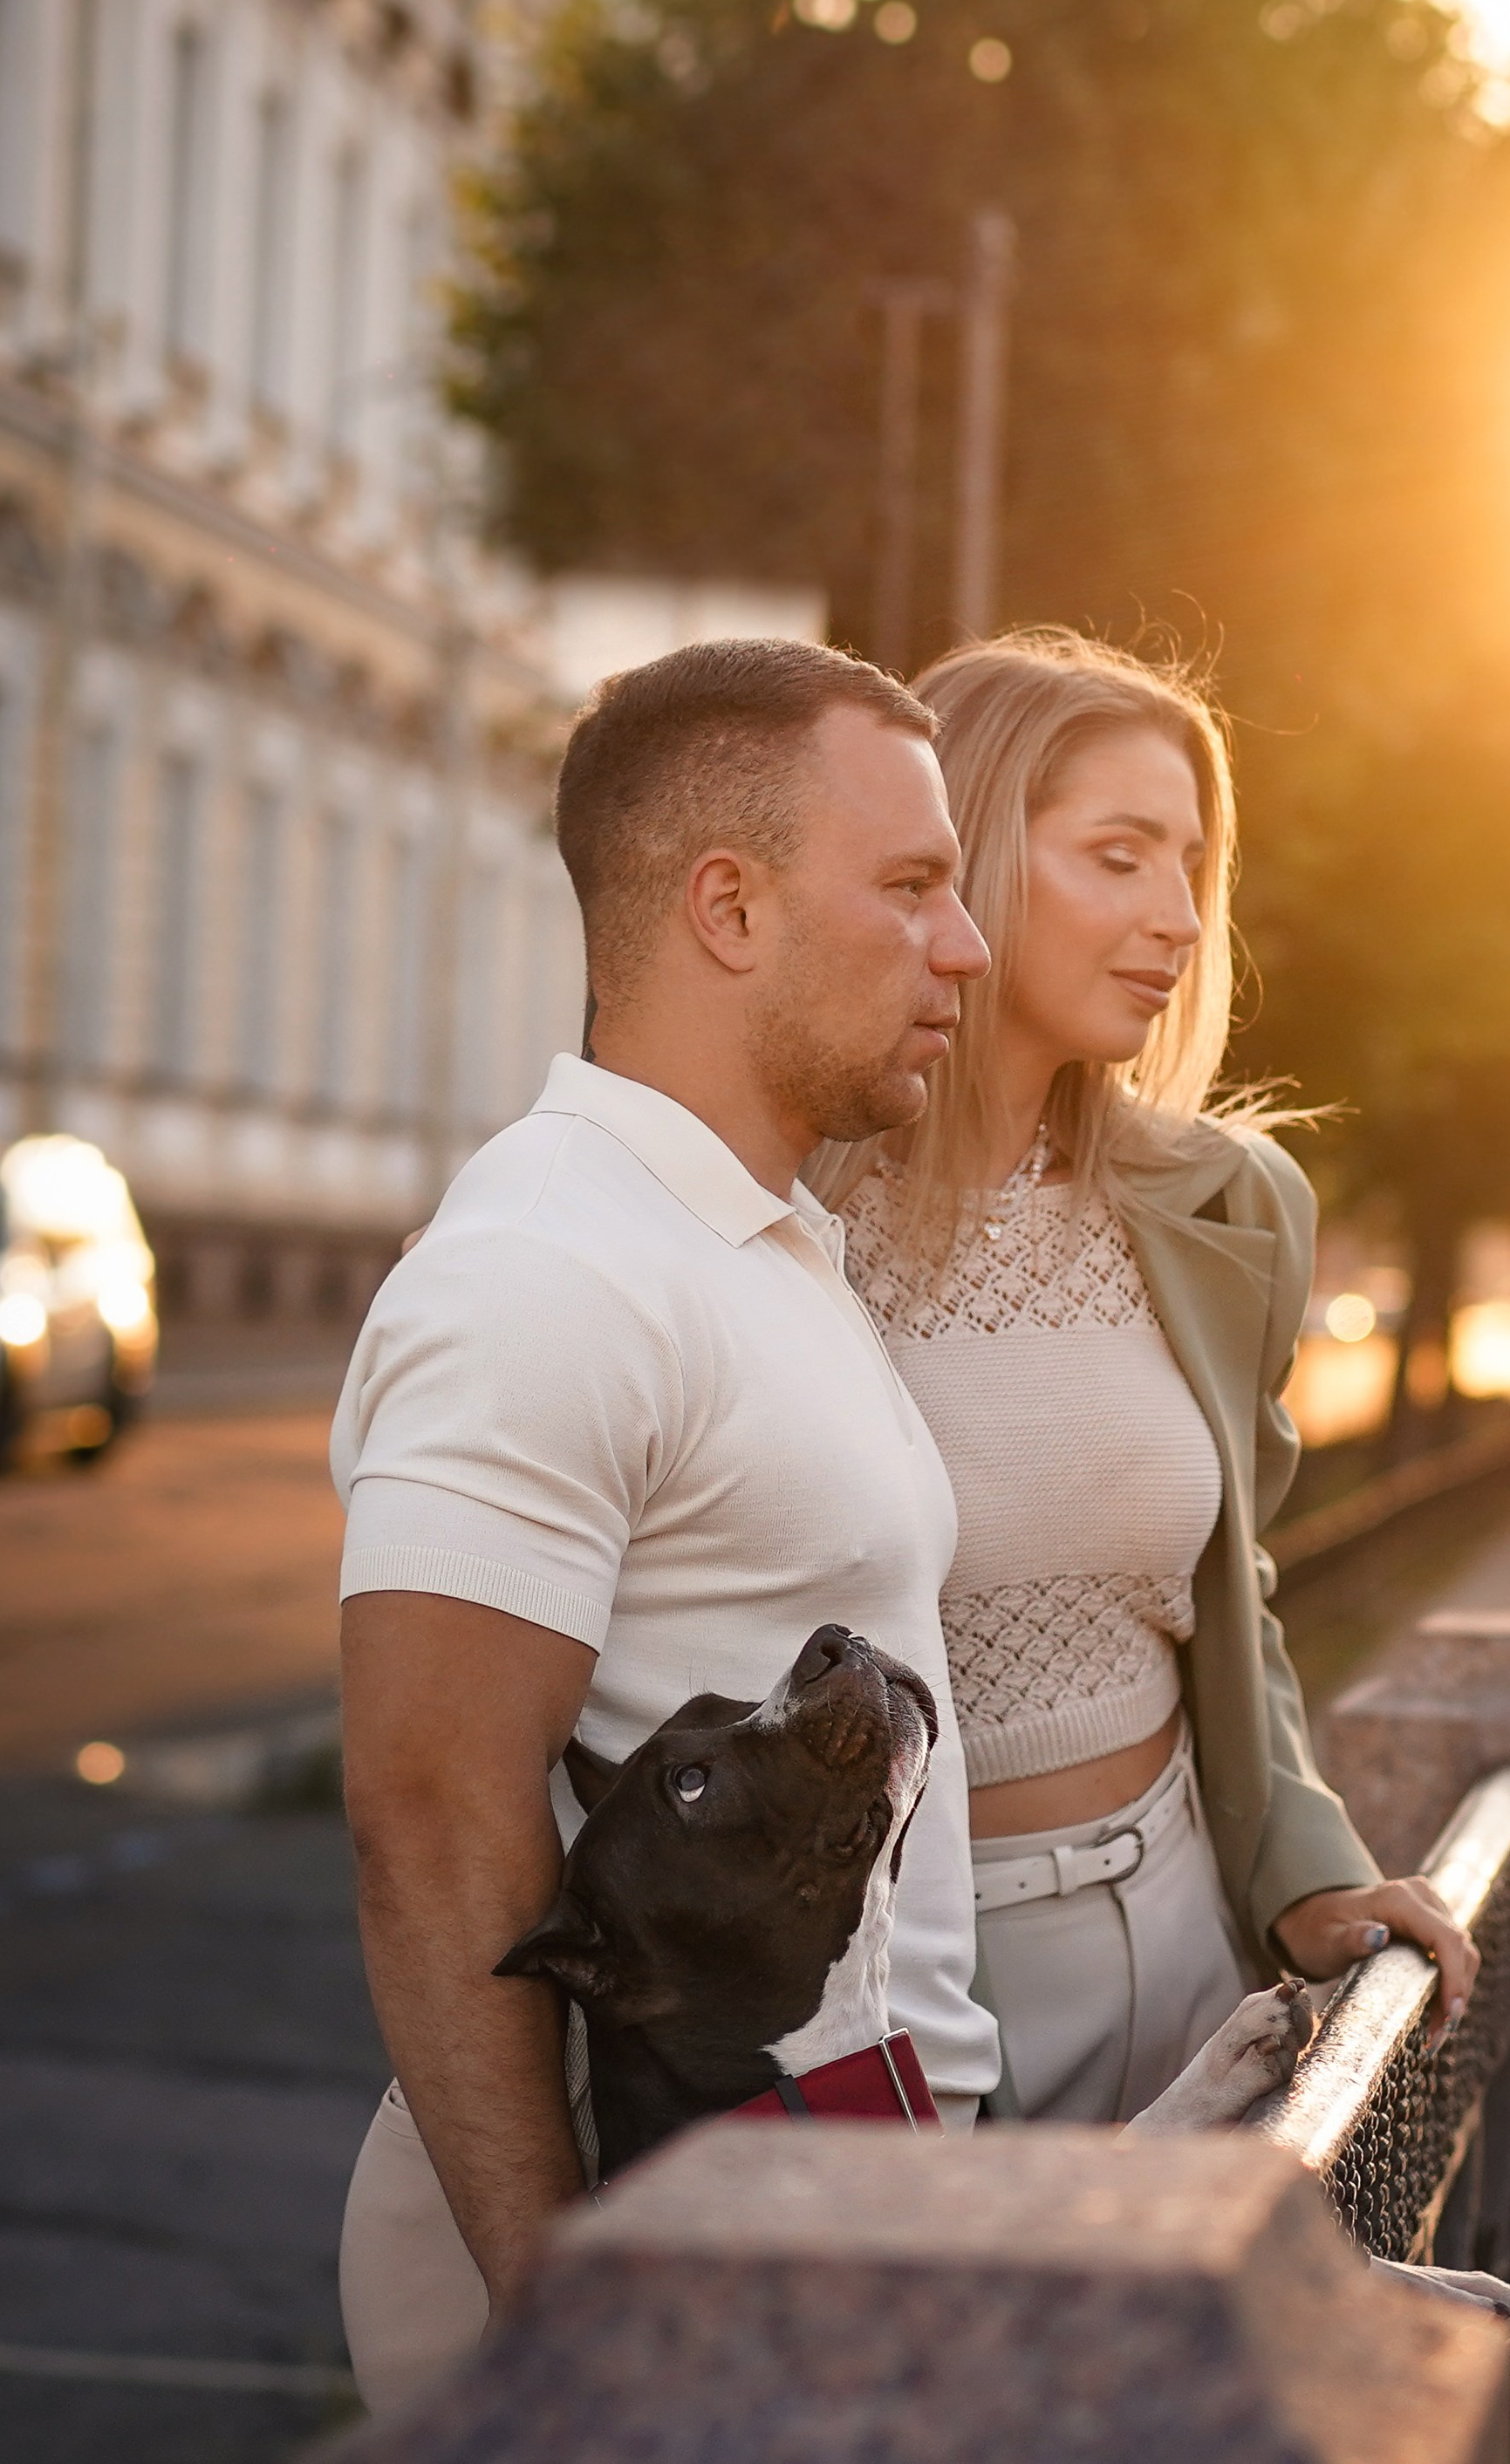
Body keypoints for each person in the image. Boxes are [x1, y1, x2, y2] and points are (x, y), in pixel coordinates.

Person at [331, 639, 1001, 2415]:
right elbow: (428, 1811)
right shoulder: (551, 1266)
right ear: (729, 905)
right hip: (636, 2239)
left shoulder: (752, 1240)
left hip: (818, 2179)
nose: (967, 947)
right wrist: (574, 2313)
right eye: (916, 886)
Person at [820, 630, 1477, 2125]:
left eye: (1191, 865)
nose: (1179, 918)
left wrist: (1307, 1866)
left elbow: (1230, 1583)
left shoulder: (1231, 1209)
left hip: (1186, 1935)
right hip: (882, 1975)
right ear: (970, 851)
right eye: (1120, 856)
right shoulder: (781, 1217)